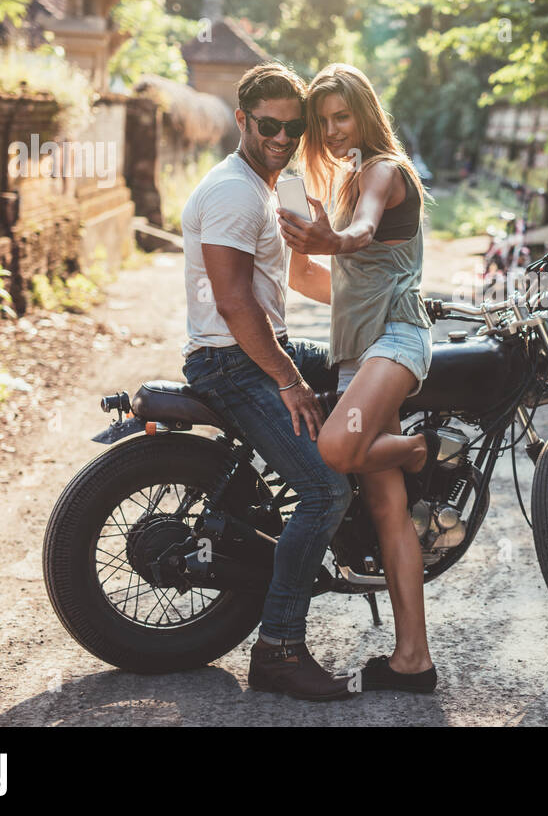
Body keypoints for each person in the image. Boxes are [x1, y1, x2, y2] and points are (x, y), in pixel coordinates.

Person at [179, 61, 353, 701]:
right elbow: (233, 302)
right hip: (234, 358)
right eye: (270, 125)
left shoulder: (268, 185)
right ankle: (278, 649)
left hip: (253, 351)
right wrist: (288, 379)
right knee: (325, 492)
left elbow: (304, 277)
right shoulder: (232, 191)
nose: (283, 137)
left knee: (362, 371)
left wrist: (380, 306)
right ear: (243, 120)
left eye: (294, 127)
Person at [275, 62, 440, 694]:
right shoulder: (344, 181)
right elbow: (321, 282)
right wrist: (301, 239)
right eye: (323, 122)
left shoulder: (381, 172)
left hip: (396, 341)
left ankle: (422, 448)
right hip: (356, 355)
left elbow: (364, 229)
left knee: (335, 450)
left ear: (365, 113)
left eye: (341, 116)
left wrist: (334, 235)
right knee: (388, 507)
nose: (334, 130)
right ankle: (412, 661)